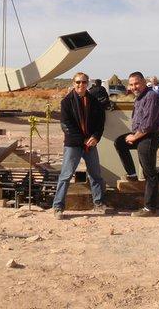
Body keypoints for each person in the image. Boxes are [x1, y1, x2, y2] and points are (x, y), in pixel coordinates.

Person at [52, 72, 108, 219]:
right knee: (66, 175)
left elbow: (100, 122)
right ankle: (58, 206)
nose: (80, 85)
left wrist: (96, 136)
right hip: (74, 144)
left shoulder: (94, 101)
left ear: (87, 83)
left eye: (83, 82)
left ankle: (99, 203)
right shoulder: (66, 102)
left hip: (90, 143)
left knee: (96, 175)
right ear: (73, 83)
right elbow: (66, 125)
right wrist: (82, 140)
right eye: (78, 82)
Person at [114, 71, 159, 217]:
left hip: (149, 137)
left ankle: (150, 208)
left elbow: (148, 124)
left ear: (143, 82)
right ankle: (132, 174)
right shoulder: (139, 98)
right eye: (131, 84)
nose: (134, 87)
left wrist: (134, 137)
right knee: (120, 142)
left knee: (149, 173)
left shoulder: (151, 97)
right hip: (141, 136)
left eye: (136, 83)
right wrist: (133, 137)